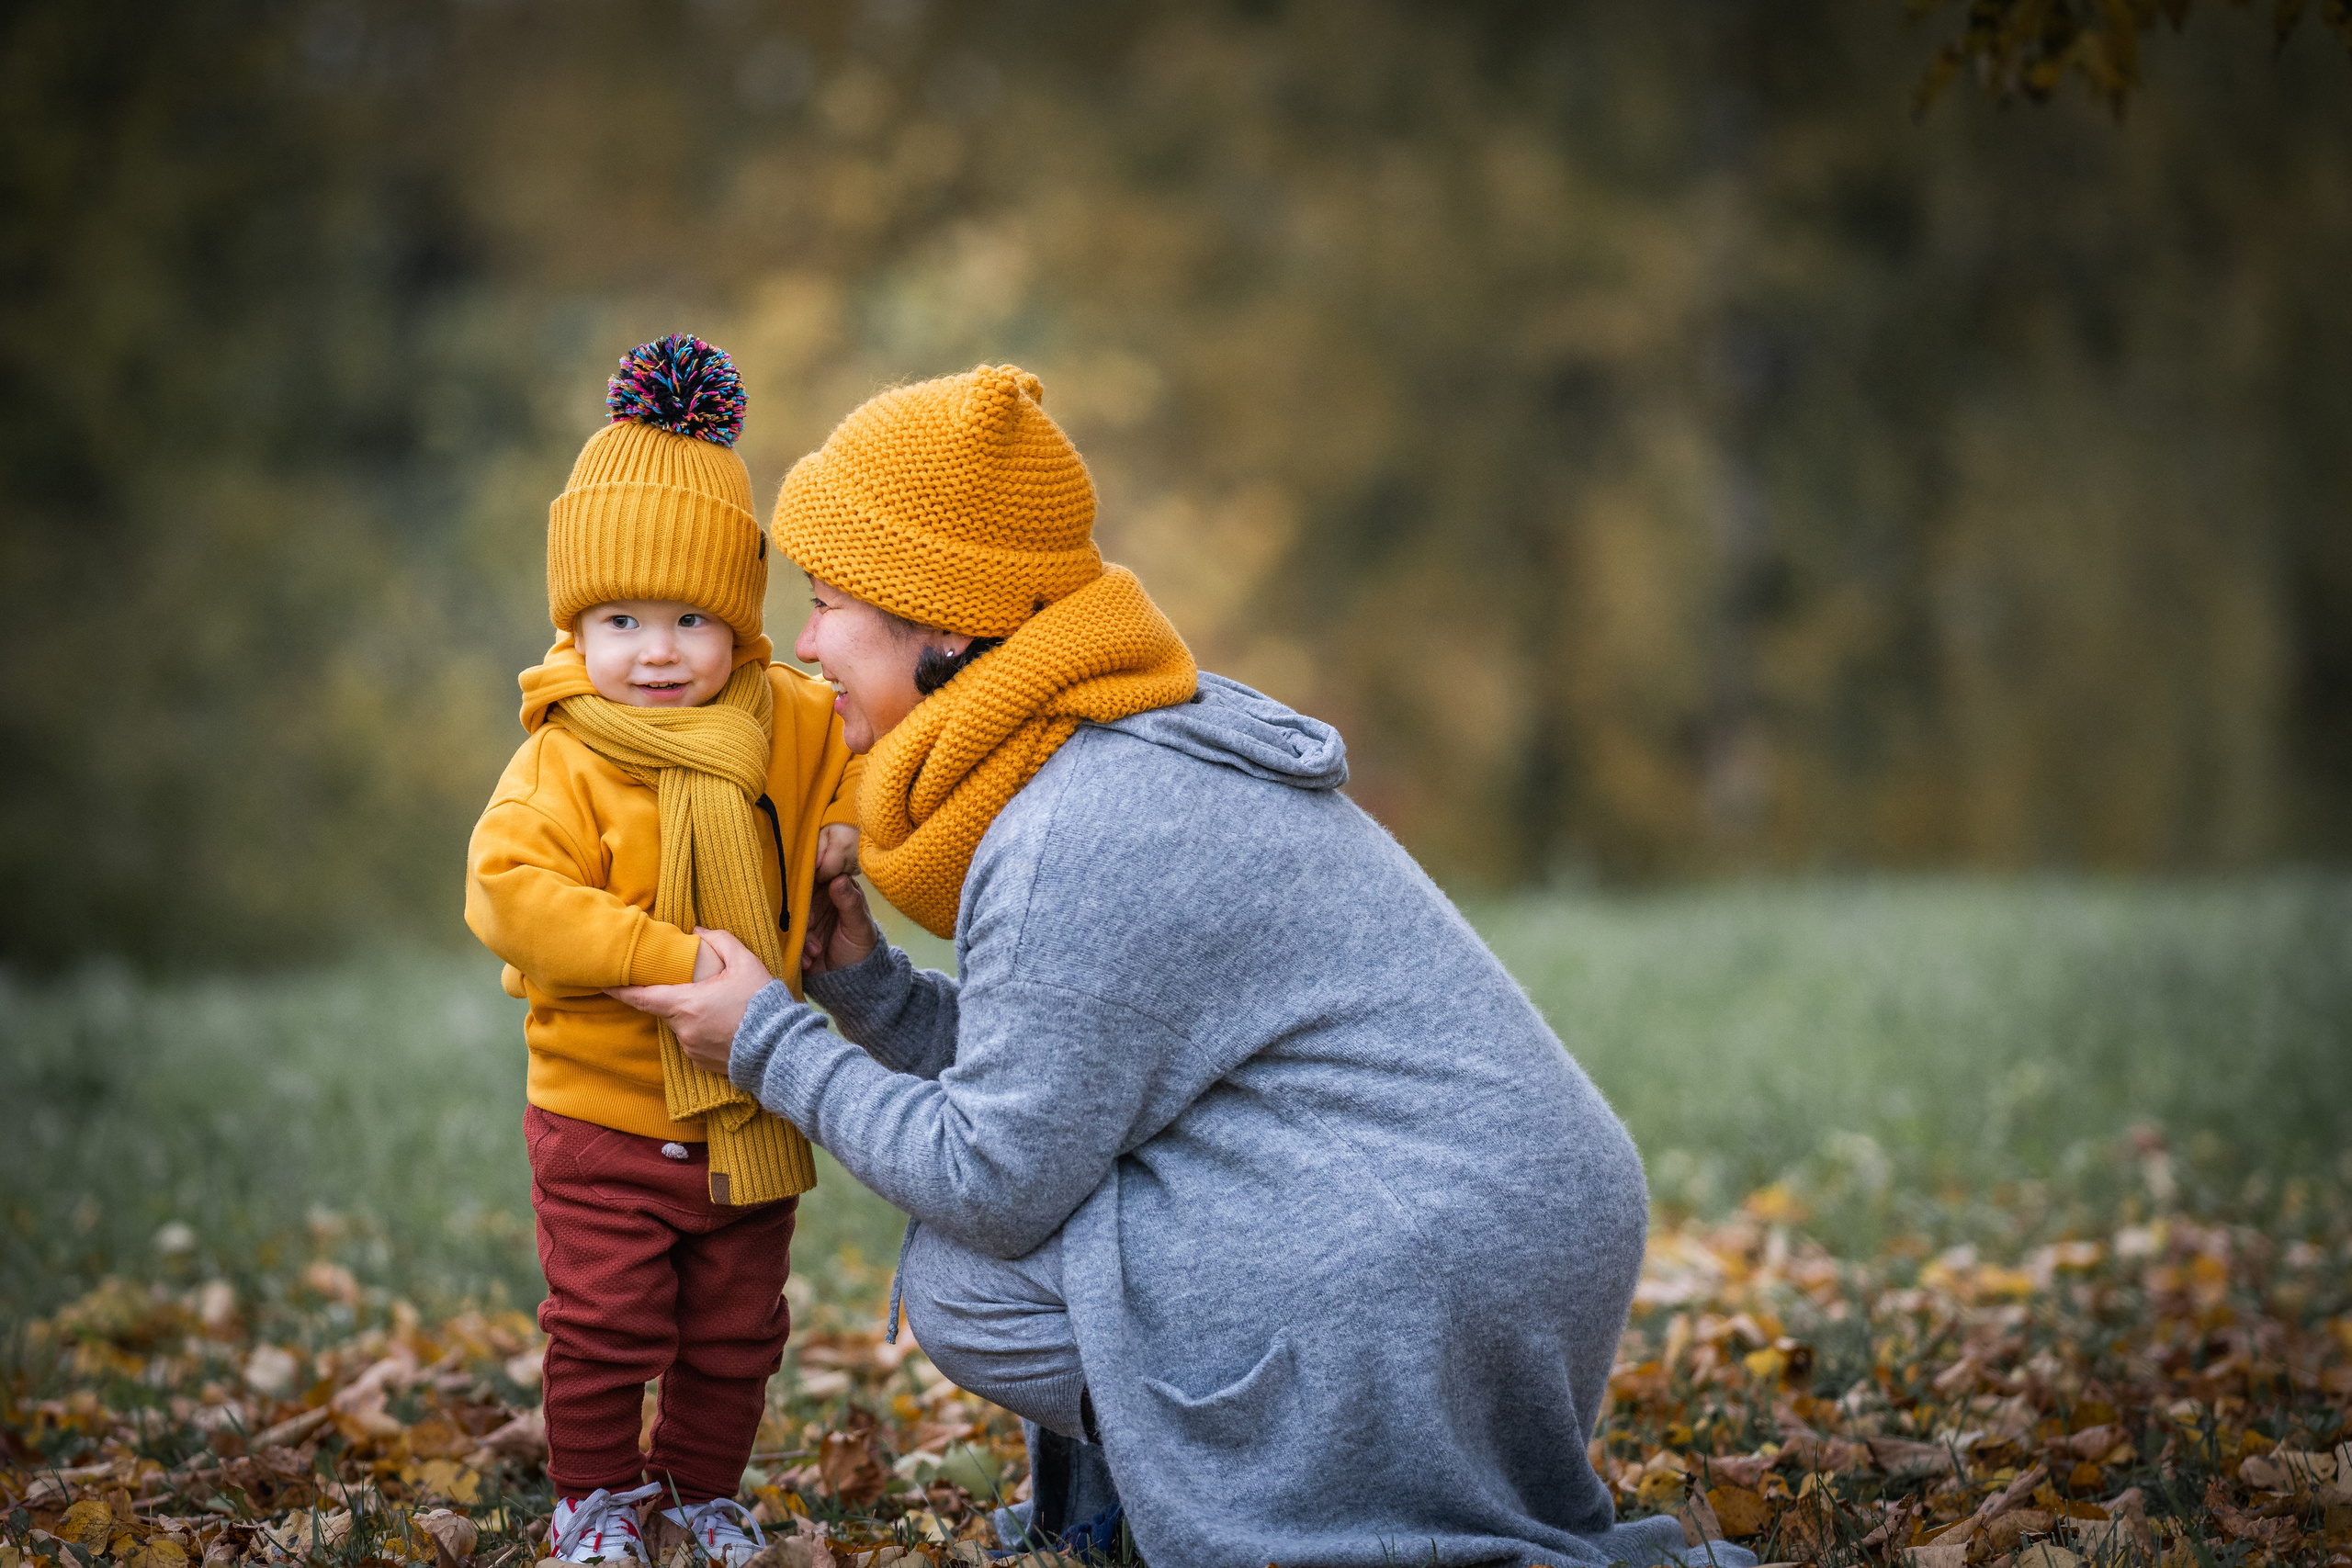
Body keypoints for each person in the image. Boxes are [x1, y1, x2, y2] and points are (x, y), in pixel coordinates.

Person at [616, 363, 1753, 1568]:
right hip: (1477, 1219)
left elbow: (997, 1179)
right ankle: (1135, 1510)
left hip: (1433, 1255)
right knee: (1053, 1227)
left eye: (828, 599)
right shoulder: (1100, 743)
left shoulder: (1076, 823)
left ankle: (1261, 1507)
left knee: (966, 1277)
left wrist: (763, 1038)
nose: (801, 641)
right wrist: (868, 992)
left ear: (941, 617)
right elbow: (1078, 1076)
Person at [464, 336, 862, 1567]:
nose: (654, 650)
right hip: (600, 1110)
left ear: (736, 619)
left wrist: (849, 843)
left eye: (691, 618)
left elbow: (864, 769)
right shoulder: (566, 754)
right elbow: (508, 894)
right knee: (606, 1322)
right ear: (574, 621)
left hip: (749, 1101)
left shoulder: (783, 718)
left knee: (737, 1330)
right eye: (620, 618)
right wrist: (667, 957)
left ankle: (698, 1491)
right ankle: (591, 1497)